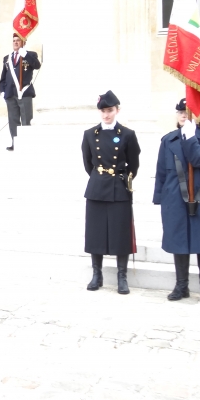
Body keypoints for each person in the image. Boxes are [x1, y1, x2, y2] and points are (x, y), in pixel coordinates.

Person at [153, 99, 200, 305]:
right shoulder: (168, 140)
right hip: (175, 196)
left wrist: (190, 136)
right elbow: (161, 171)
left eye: (188, 112)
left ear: (199, 114)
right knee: (179, 239)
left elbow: (199, 160)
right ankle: (181, 285)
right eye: (180, 111)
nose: (183, 115)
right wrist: (160, 198)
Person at [82, 91, 140, 295]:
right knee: (95, 233)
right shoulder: (90, 134)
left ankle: (122, 276)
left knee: (120, 233)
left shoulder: (127, 134)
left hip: (119, 188)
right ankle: (97, 275)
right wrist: (100, 177)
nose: (106, 115)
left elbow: (134, 164)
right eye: (103, 111)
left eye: (110, 110)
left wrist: (121, 179)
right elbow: (88, 163)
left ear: (117, 110)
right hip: (97, 187)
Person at [0, 32, 41, 151]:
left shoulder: (31, 54)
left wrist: (26, 55)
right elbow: (3, 77)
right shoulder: (7, 58)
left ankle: (26, 142)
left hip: (24, 91)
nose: (16, 42)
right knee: (13, 120)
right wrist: (2, 90)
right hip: (10, 93)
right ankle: (15, 142)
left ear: (24, 42)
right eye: (14, 40)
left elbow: (37, 65)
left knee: (26, 118)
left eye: (18, 40)